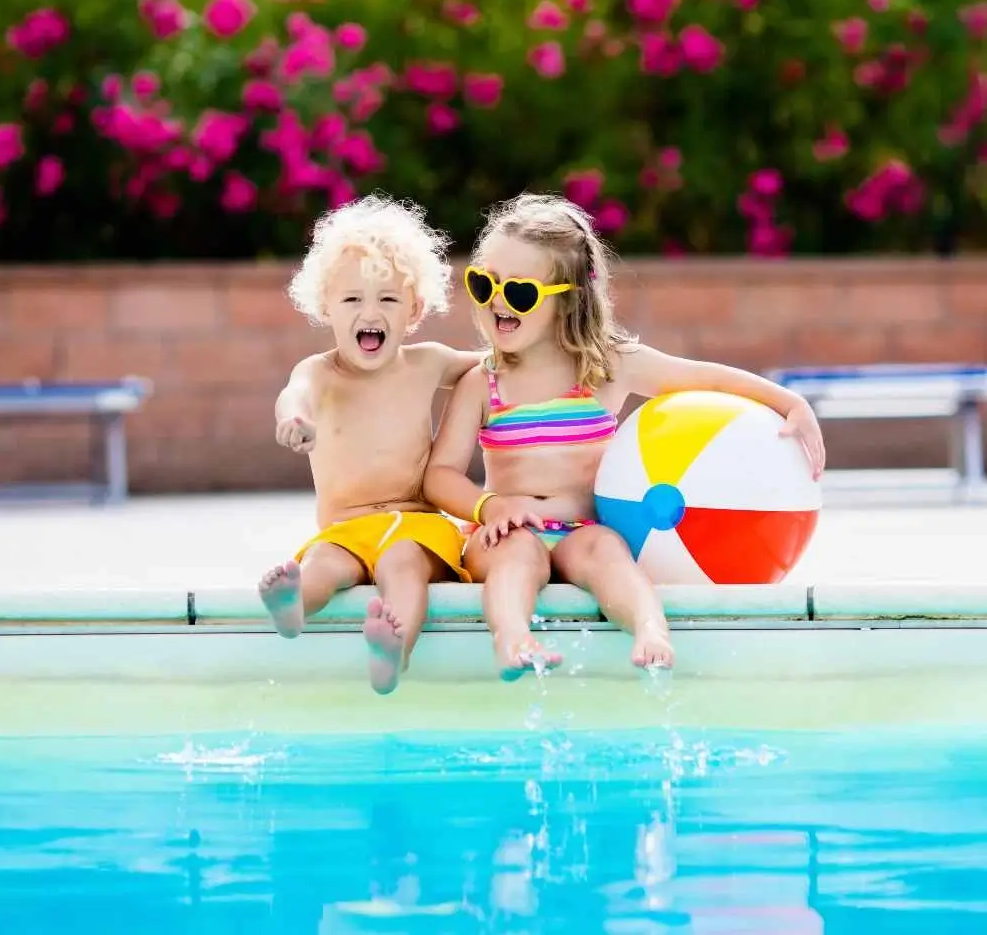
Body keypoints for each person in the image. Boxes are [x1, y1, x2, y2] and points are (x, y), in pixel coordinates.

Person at [422, 193, 826, 681]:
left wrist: (789, 403)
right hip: (503, 531)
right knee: (517, 558)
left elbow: (702, 378)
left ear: (568, 298)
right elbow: (439, 475)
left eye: (521, 293)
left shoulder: (605, 367)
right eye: (484, 284)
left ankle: (649, 629)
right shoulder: (482, 383)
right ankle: (512, 636)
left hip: (581, 530)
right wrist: (489, 509)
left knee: (608, 555)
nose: (497, 302)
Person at [257, 195, 480, 694]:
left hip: (418, 522)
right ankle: (294, 607)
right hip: (346, 527)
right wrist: (293, 419)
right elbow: (295, 396)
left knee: (403, 564)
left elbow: (493, 366)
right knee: (323, 566)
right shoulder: (318, 373)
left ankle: (392, 651)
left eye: (388, 299)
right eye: (353, 299)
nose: (370, 312)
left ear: (415, 309)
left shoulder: (429, 362)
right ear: (326, 307)